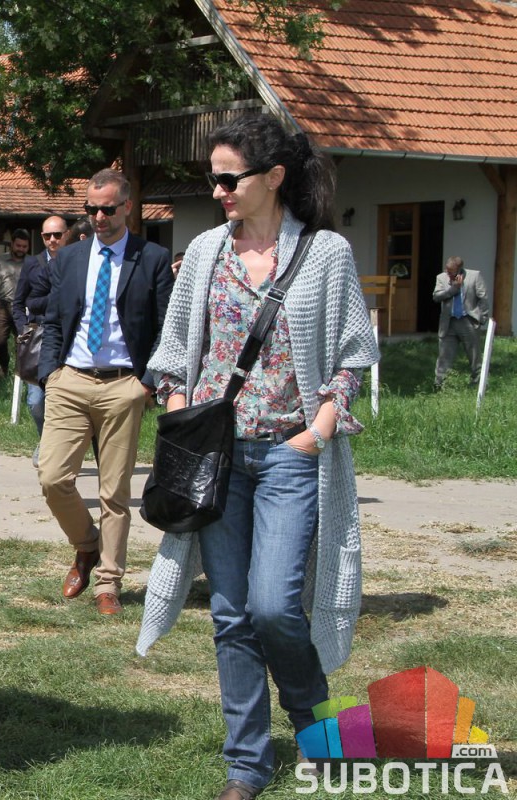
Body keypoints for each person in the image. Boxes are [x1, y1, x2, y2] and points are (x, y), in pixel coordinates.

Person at [135, 114, 380, 800]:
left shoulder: (325, 253)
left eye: (227, 179)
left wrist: (318, 430)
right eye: (211, 179)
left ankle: (316, 728)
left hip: (289, 456)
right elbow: (173, 349)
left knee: (274, 606)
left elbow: (353, 352)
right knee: (231, 613)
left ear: (273, 177)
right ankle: (246, 763)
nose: (216, 191)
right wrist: (179, 405)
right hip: (215, 458)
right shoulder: (205, 251)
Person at [37, 170, 173, 615]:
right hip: (71, 380)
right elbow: (54, 320)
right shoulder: (69, 258)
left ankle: (108, 584)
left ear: (127, 207)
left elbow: (166, 327)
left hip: (123, 385)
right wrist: (51, 375)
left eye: (108, 209)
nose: (98, 217)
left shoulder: (151, 258)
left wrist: (146, 383)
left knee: (114, 492)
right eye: (91, 209)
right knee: (53, 478)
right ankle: (86, 545)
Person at [12, 215, 69, 460]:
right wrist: (23, 330)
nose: (52, 240)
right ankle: (45, 440)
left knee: (62, 401)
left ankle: (56, 450)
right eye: (47, 236)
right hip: (38, 338)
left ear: (66, 235)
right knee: (36, 401)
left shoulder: (76, 262)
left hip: (67, 340)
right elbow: (18, 303)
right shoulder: (32, 264)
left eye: (57, 235)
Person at [433, 255, 490, 388]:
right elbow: (436, 297)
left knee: (474, 355)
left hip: (468, 321)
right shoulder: (441, 278)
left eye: (451, 271)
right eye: (446, 270)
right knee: (444, 355)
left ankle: (478, 383)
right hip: (449, 322)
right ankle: (440, 384)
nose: (448, 273)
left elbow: (483, 298)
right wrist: (453, 289)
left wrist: (481, 318)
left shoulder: (474, 276)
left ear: (459, 269)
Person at [0, 229, 30, 376]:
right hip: (2, 306)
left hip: (24, 307)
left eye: (24, 247)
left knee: (23, 342)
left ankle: (20, 373)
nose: (21, 249)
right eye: (18, 246)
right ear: (12, 244)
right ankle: (4, 363)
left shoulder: (32, 263)